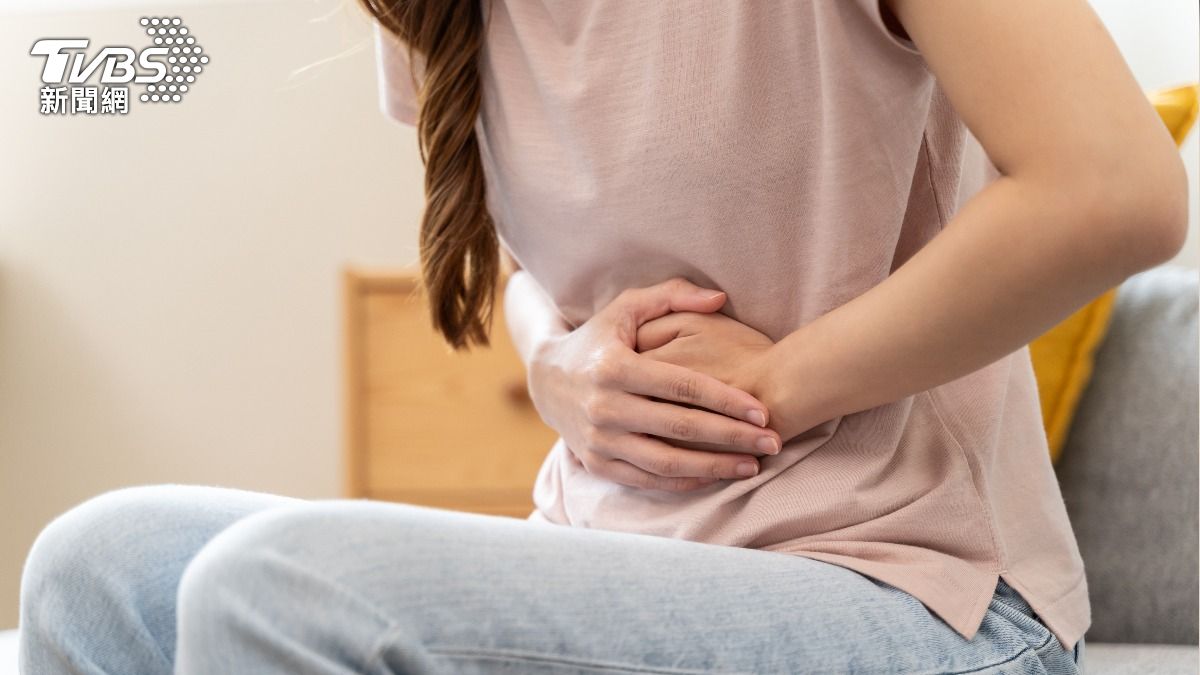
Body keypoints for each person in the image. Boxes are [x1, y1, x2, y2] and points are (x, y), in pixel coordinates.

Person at [19, 1, 1188, 673]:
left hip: (920, 595)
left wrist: (785, 380)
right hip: (618, 549)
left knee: (274, 591)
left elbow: (1115, 188)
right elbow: (534, 268)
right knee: (96, 564)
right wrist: (554, 364)